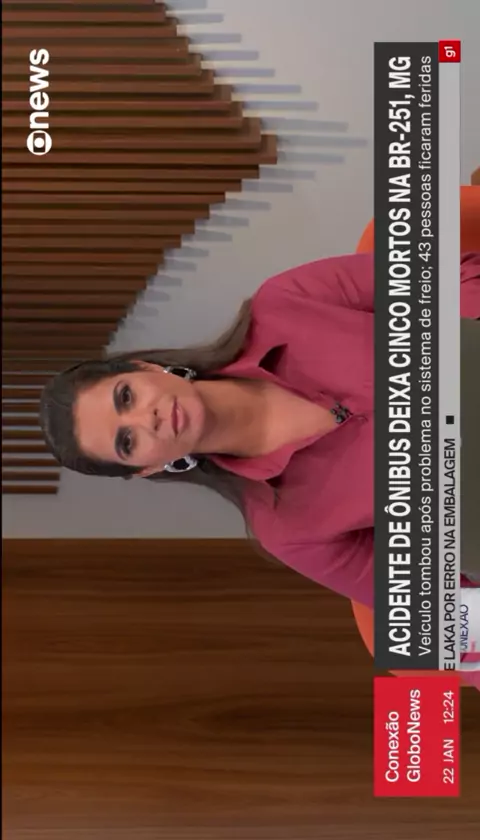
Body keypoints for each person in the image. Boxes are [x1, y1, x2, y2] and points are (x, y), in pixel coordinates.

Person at [41, 252, 480, 681]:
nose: (146, 418)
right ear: (147, 468)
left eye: (126, 396)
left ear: (145, 368)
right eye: (127, 441)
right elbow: (446, 614)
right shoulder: (288, 529)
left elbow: (453, 275)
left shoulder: (285, 300)